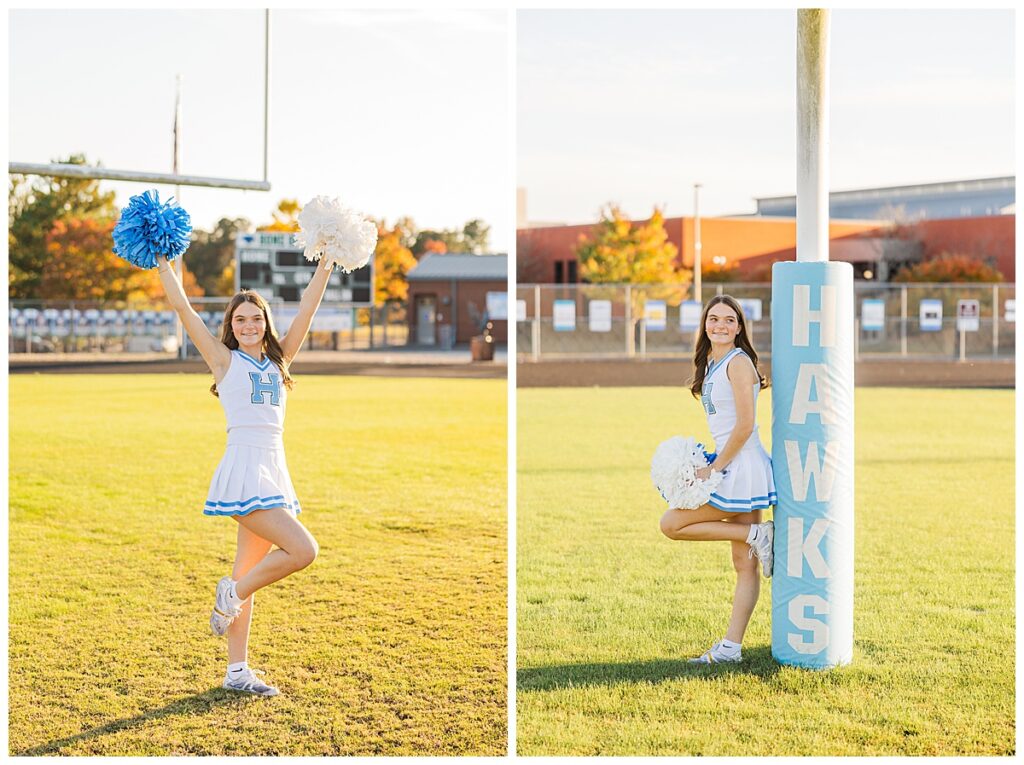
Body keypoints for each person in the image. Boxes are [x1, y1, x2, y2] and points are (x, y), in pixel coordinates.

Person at [156, 254, 334, 696]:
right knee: (303, 550)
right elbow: (185, 310)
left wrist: (327, 263)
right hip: (244, 468)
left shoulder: (280, 360)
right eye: (241, 319)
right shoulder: (223, 361)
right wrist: (163, 261)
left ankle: (236, 673)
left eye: (256, 318)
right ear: (231, 326)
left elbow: (308, 308)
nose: (249, 325)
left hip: (274, 467)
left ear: (266, 323)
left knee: (249, 570)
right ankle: (231, 593)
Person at [659, 294, 776, 664]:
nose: (720, 326)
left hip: (741, 466)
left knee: (672, 523)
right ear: (705, 324)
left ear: (740, 327)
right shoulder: (712, 360)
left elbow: (745, 425)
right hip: (730, 461)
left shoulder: (739, 363)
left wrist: (714, 468)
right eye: (714, 319)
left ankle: (756, 534)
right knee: (744, 564)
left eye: (729, 320)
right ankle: (731, 649)